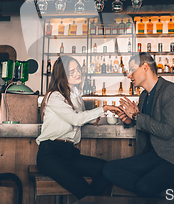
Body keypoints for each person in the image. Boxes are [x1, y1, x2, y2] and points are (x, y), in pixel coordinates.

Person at [103, 52, 174, 198]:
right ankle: (157, 193)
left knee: (145, 187)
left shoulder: (170, 91)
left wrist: (136, 116)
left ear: (145, 67)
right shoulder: (144, 96)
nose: (129, 76)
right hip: (153, 157)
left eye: (132, 70)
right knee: (108, 169)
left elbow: (167, 131)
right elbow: (145, 123)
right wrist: (131, 121)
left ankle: (150, 190)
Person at [36, 55, 121, 199]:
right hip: (50, 154)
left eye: (78, 69)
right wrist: (103, 108)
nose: (77, 73)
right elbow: (75, 119)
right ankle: (90, 199)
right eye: (72, 72)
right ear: (61, 75)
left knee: (106, 170)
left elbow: (77, 117)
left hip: (69, 153)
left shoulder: (75, 95)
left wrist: (91, 119)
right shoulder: (54, 96)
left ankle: (91, 200)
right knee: (85, 193)